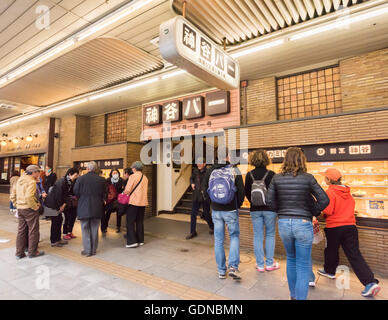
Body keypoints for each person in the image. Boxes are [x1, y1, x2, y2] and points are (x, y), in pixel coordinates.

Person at [266, 147, 329, 300]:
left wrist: (281, 210)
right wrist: (313, 211)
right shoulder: (308, 178)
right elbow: (324, 200)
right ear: (302, 160)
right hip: (303, 223)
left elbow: (269, 201)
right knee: (302, 264)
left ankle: (293, 296)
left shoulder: (277, 178)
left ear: (285, 159)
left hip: (284, 224)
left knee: (291, 259)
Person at [318, 168, 381, 298]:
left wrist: (320, 211)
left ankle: (330, 271)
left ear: (329, 180)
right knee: (354, 254)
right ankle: (369, 282)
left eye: (325, 177)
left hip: (334, 227)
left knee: (330, 249)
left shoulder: (330, 191)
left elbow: (328, 211)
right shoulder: (348, 192)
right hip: (350, 227)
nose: (324, 180)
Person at [203, 147, 245, 280]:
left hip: (216, 210)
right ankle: (232, 267)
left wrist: (213, 202)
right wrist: (237, 205)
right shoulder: (234, 169)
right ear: (227, 156)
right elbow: (241, 191)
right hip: (231, 209)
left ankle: (221, 271)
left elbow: (205, 190)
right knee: (234, 236)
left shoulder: (210, 170)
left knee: (219, 240)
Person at [244, 150, 279, 272]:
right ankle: (269, 264)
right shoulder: (272, 174)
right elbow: (276, 193)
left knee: (258, 236)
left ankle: (260, 265)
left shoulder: (249, 175)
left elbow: (247, 193)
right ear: (266, 159)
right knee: (270, 235)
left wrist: (254, 202)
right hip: (270, 209)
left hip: (255, 210)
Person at [10, 165, 45, 259]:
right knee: (33, 230)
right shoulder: (32, 181)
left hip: (20, 208)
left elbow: (12, 195)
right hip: (29, 209)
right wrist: (35, 207)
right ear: (33, 172)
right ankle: (32, 252)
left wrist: (17, 205)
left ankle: (19, 253)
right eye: (38, 172)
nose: (39, 174)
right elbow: (29, 197)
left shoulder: (19, 179)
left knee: (21, 231)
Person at [74, 161, 107, 257]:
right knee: (95, 228)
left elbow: (76, 191)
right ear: (96, 169)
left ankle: (87, 250)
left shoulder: (80, 179)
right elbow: (105, 193)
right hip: (97, 207)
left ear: (87, 169)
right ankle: (93, 250)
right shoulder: (102, 180)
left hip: (84, 206)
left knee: (85, 228)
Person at [45, 168, 79, 246]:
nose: (76, 177)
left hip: (57, 204)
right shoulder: (62, 182)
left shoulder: (68, 182)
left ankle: (58, 239)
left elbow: (65, 195)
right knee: (55, 222)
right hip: (52, 204)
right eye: (75, 175)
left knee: (59, 220)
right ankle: (54, 241)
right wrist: (61, 205)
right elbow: (58, 195)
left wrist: (63, 204)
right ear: (70, 174)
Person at [186, 158, 214, 240]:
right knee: (193, 214)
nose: (198, 164)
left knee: (206, 214)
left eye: (200, 163)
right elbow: (191, 178)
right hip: (196, 196)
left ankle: (212, 227)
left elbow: (211, 183)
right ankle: (192, 232)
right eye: (197, 163)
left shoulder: (208, 172)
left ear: (204, 164)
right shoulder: (195, 171)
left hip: (204, 196)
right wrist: (192, 183)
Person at [123, 161, 148, 248]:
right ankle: (140, 240)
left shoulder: (132, 176)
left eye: (132, 168)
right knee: (140, 221)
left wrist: (124, 192)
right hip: (143, 202)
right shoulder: (145, 178)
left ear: (134, 168)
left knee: (130, 221)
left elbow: (127, 190)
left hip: (134, 202)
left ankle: (131, 241)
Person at [101, 169, 125, 234]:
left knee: (118, 214)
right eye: (113, 173)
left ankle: (118, 227)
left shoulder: (122, 180)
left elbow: (123, 190)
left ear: (118, 173)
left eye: (116, 173)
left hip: (118, 199)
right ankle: (104, 227)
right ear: (111, 174)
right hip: (110, 200)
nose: (115, 174)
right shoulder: (108, 180)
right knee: (108, 213)